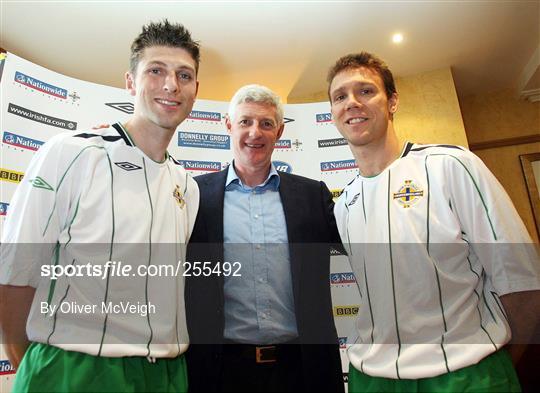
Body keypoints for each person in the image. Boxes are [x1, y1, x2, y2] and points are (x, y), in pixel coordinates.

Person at [0, 20, 200, 392]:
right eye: (156, 71)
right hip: (75, 367)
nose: (171, 85)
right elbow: (16, 274)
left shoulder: (187, 185)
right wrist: (37, 364)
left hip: (167, 373)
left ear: (195, 90)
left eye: (183, 75)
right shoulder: (71, 153)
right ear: (130, 82)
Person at [327, 51, 540, 392]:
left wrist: (492, 361)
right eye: (340, 96)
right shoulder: (344, 205)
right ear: (333, 113)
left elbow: (523, 285)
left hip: (465, 374)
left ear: (392, 101)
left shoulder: (452, 165)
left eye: (365, 91)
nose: (351, 102)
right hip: (373, 378)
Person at [185, 84, 344, 392]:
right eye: (245, 121)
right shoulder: (193, 196)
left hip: (304, 370)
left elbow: (368, 242)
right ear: (228, 125)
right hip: (219, 372)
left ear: (279, 132)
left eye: (266, 124)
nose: (254, 133)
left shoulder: (313, 196)